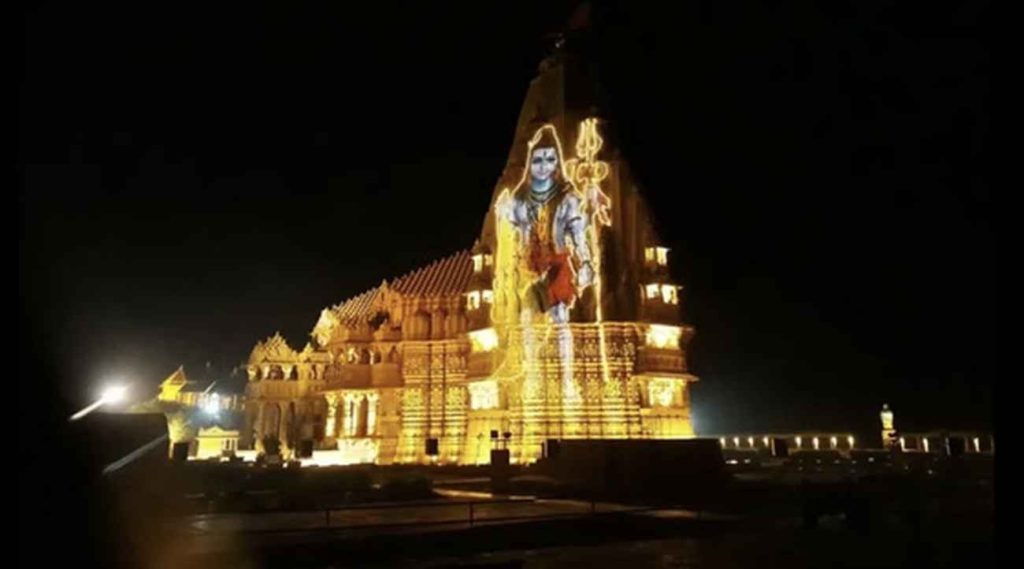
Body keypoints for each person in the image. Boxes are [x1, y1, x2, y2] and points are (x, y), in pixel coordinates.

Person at [496, 124, 594, 324]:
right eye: (538, 160)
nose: (543, 166)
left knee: (559, 314)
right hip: (529, 264)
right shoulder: (519, 200)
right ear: (530, 163)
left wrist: (585, 262)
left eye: (550, 159)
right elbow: (510, 236)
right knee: (526, 315)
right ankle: (528, 355)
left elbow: (577, 233)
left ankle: (563, 354)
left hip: (557, 261)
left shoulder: (567, 198)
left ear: (558, 162)